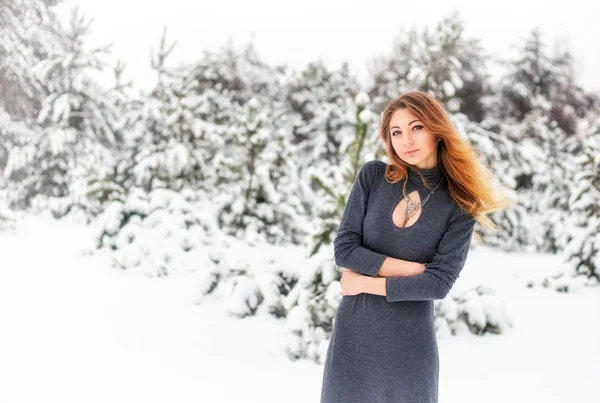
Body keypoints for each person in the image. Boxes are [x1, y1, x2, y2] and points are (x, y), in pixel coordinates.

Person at [319, 91, 515, 403]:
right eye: (396, 132)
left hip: (410, 346)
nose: (406, 140)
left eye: (417, 127)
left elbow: (438, 284)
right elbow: (345, 249)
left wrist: (365, 282)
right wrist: (411, 270)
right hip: (353, 337)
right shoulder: (373, 177)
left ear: (437, 129)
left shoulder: (461, 204)